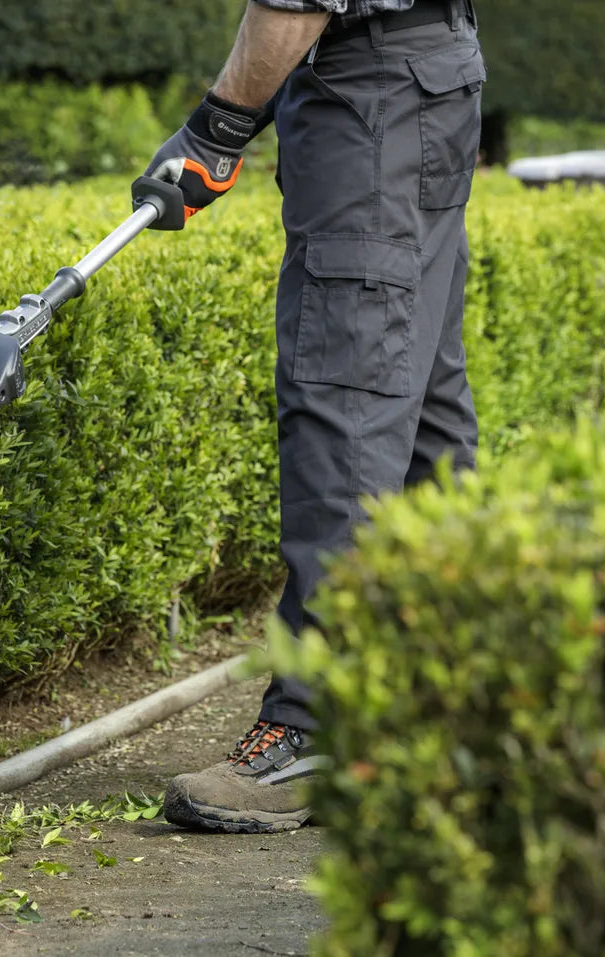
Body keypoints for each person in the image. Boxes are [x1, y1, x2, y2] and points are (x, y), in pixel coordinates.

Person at [139, 0, 484, 833]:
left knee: (349, 402)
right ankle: (441, 705)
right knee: (420, 408)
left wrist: (217, 127)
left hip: (369, 98)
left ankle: (314, 727)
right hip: (432, 67)